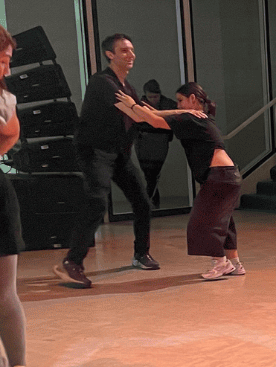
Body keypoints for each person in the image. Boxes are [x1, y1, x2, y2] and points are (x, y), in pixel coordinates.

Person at [54, 33, 159, 289]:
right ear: (109, 55)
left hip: (119, 154)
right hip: (95, 152)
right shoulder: (102, 82)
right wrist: (176, 114)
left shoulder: (129, 88)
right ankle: (72, 263)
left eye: (132, 50)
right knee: (97, 201)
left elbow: (148, 114)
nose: (131, 54)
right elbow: (138, 113)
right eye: (124, 50)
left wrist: (182, 116)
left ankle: (140, 254)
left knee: (143, 202)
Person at [115, 83, 244, 280]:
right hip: (229, 176)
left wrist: (132, 105)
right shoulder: (201, 117)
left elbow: (154, 120)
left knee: (202, 221)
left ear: (192, 99)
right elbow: (156, 115)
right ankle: (235, 264)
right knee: (225, 222)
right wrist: (136, 107)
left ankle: (220, 263)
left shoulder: (191, 118)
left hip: (218, 176)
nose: (178, 104)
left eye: (180, 100)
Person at [0, 26, 33, 367]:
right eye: (3, 61)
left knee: (4, 293)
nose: (6, 70)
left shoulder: (4, 98)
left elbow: (10, 133)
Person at [136, 79, 175, 209]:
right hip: (143, 143)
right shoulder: (139, 106)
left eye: (156, 96)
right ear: (145, 95)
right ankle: (152, 203)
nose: (154, 99)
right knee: (149, 174)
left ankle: (146, 204)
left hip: (160, 142)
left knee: (153, 174)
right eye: (151, 97)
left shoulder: (168, 104)